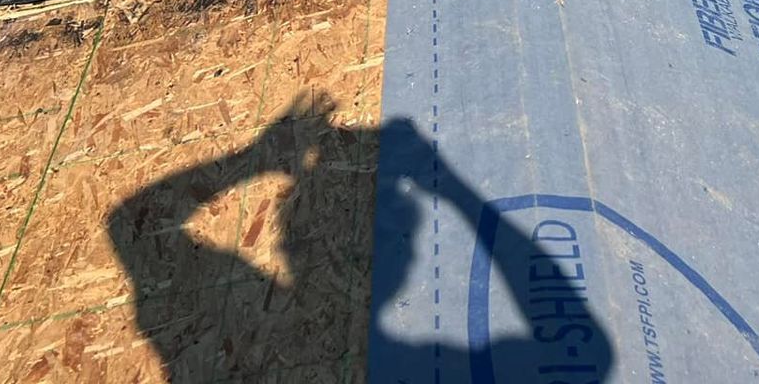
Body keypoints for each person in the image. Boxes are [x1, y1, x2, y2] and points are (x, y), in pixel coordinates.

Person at [107, 91, 614, 381]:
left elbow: (127, 225)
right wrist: (453, 188)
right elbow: (586, 352)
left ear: (290, 247)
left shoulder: (241, 335)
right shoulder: (415, 367)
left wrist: (255, 159)